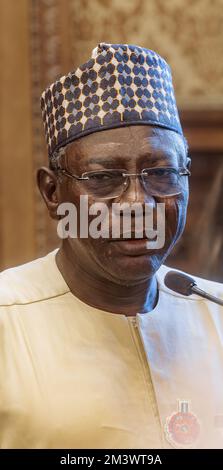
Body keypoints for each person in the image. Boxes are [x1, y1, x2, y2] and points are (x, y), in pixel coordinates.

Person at [0, 43, 222, 449]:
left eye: (161, 172)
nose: (138, 203)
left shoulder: (217, 313)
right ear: (52, 193)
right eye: (103, 179)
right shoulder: (7, 321)